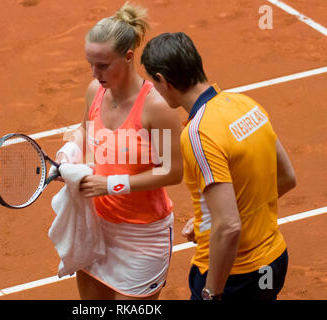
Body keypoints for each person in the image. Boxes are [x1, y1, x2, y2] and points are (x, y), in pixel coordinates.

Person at [141, 32, 296, 300]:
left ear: (163, 81)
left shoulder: (198, 134)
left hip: (235, 276)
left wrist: (211, 292)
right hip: (273, 262)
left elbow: (229, 226)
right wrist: (212, 220)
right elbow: (286, 178)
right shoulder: (246, 105)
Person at [51, 3, 183, 300]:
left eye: (103, 65)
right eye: (91, 64)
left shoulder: (155, 108)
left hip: (142, 238)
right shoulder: (94, 91)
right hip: (95, 227)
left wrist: (109, 184)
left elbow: (172, 172)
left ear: (128, 57)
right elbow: (85, 132)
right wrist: (67, 156)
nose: (95, 73)